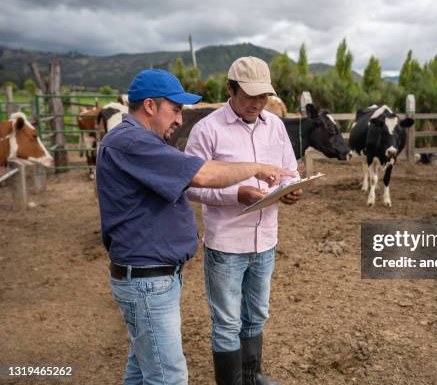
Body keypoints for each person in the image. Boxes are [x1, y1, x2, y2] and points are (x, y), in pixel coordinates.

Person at [96, 69, 292, 385]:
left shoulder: (136, 140)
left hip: (152, 275)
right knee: (168, 377)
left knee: (141, 370)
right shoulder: (133, 142)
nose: (179, 119)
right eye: (175, 109)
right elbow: (200, 176)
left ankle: (250, 375)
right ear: (149, 106)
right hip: (148, 280)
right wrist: (257, 168)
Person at [185, 57, 302, 385]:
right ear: (230, 89)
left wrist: (290, 190)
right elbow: (191, 187)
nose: (257, 104)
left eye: (263, 96)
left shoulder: (275, 126)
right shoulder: (207, 130)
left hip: (265, 239)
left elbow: (288, 171)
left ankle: (252, 376)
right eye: (249, 95)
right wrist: (235, 195)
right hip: (227, 243)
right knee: (226, 322)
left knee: (257, 315)